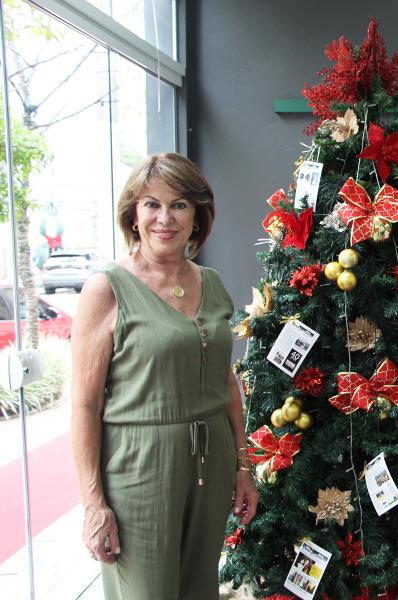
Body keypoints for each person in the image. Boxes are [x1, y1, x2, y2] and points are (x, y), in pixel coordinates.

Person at [70, 153, 259, 600]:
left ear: (197, 215)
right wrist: (93, 504)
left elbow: (225, 379)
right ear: (133, 214)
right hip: (139, 467)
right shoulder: (108, 288)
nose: (164, 218)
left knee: (199, 591)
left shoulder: (211, 284)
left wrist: (243, 465)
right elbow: (83, 403)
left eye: (178, 205)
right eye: (151, 204)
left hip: (209, 463)